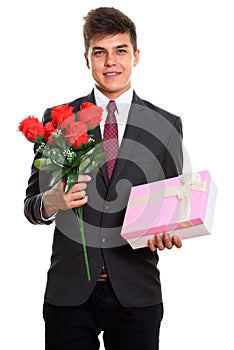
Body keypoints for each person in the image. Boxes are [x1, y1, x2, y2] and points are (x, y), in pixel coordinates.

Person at [24, 7, 183, 350]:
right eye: (100, 52)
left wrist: (166, 231)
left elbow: (171, 206)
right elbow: (31, 206)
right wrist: (50, 202)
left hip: (136, 292)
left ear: (136, 56)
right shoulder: (59, 119)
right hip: (69, 293)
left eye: (120, 50)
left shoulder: (166, 125)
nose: (111, 62)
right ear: (87, 59)